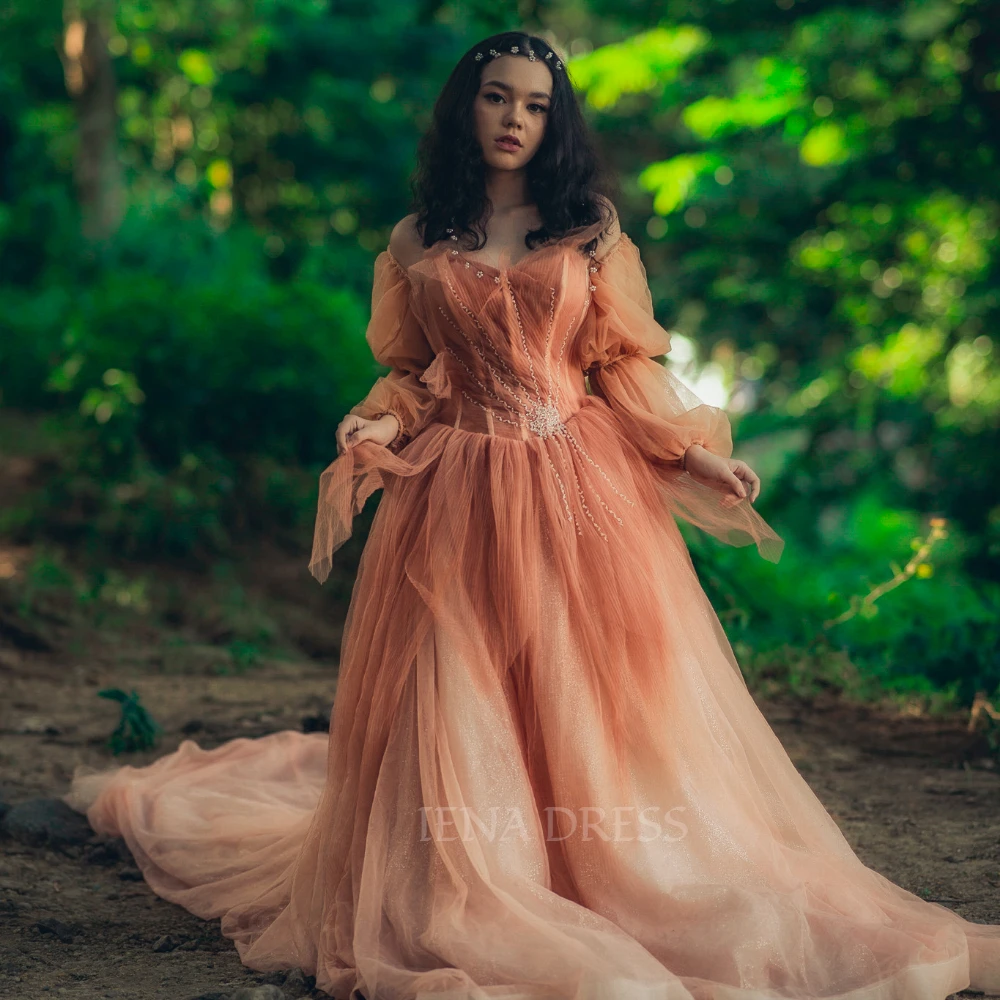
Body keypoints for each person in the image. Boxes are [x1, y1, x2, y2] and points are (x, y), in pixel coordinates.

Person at [64, 29, 1000, 1000]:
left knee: (582, 694)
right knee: (458, 682)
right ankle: (482, 869)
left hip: (575, 486)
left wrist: (696, 452)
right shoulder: (416, 239)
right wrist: (369, 413)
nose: (514, 117)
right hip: (456, 491)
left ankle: (598, 859)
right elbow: (410, 373)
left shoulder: (586, 226)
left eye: (535, 104)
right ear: (463, 107)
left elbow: (619, 363)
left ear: (553, 122)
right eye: (496, 97)